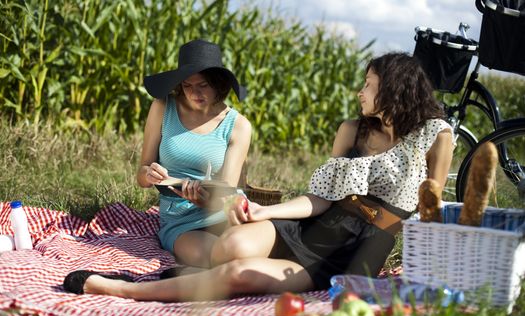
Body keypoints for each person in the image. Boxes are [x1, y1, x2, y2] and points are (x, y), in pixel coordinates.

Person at [63, 52, 454, 301]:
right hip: (312, 225)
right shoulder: (351, 131)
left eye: (369, 84)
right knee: (231, 244)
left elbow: (431, 214)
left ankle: (125, 288)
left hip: (347, 256)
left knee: (236, 273)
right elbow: (321, 199)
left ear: (395, 89)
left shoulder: (435, 136)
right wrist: (265, 212)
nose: (359, 91)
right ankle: (185, 275)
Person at [137, 39, 251, 268]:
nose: (194, 93)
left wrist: (204, 199)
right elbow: (141, 176)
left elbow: (226, 192)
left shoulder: (238, 125)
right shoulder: (163, 107)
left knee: (249, 255)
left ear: (219, 85)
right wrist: (149, 174)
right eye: (187, 85)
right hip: (181, 220)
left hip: (224, 212)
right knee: (216, 259)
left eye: (203, 85)